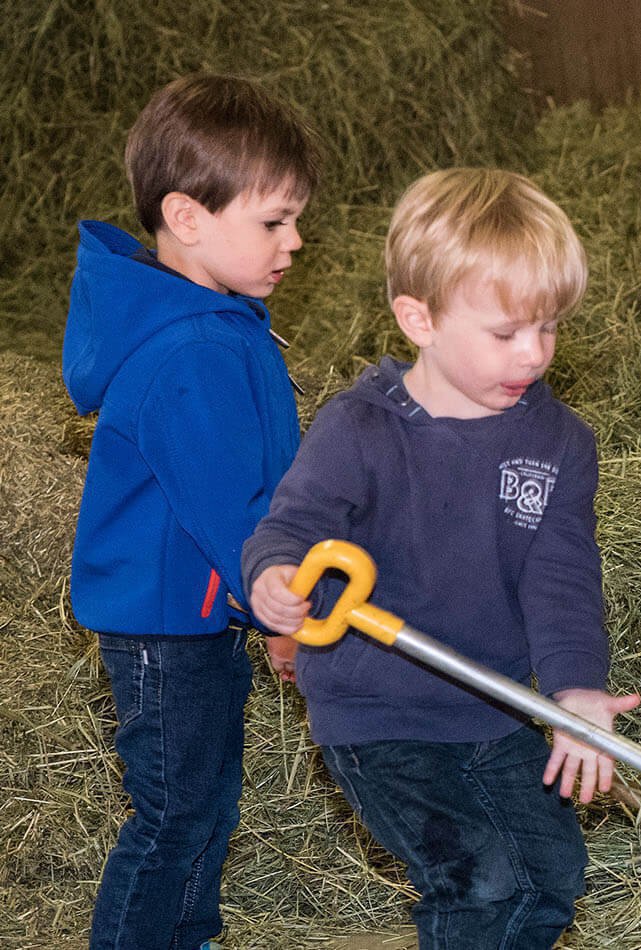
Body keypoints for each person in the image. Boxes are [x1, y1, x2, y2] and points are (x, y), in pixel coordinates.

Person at [242, 167, 640, 949]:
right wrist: (275, 577)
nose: (533, 353)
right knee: (483, 879)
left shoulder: (558, 442)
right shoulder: (360, 431)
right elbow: (293, 522)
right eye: (505, 332)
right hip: (377, 708)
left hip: (493, 705)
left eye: (549, 326)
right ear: (418, 319)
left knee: (550, 874)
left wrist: (575, 694)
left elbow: (559, 577)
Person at [62, 73, 320, 950]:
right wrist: (281, 606)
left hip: (195, 609)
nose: (296, 241)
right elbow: (233, 514)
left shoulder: (219, 317)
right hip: (167, 624)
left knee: (204, 798)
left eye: (296, 219)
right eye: (274, 221)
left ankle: (184, 934)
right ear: (187, 217)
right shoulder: (193, 350)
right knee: (176, 812)